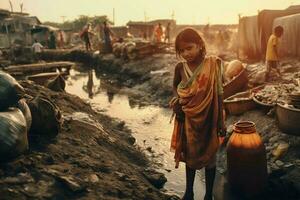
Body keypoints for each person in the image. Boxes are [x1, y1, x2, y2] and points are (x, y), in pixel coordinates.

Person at [169, 28, 225, 200]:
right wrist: (177, 101)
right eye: (182, 51)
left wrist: (220, 121)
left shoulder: (213, 65)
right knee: (190, 155)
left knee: (210, 157)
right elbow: (176, 88)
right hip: (187, 119)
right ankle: (189, 192)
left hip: (209, 118)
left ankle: (208, 194)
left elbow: (219, 92)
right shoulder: (180, 68)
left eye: (189, 48)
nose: (186, 53)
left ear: (200, 45)